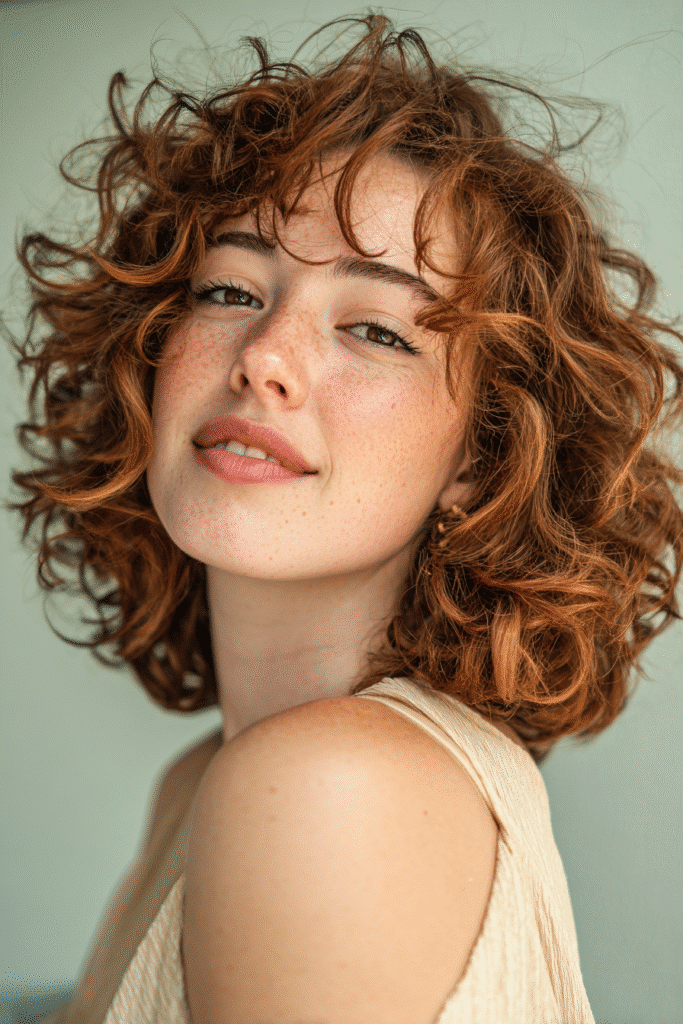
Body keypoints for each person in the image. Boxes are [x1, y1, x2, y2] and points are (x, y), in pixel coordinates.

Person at [6, 13, 683, 1024]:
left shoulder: (327, 790)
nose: (265, 357)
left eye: (373, 328)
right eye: (230, 288)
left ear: (480, 459)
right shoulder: (205, 782)